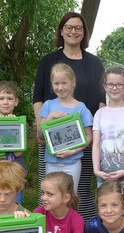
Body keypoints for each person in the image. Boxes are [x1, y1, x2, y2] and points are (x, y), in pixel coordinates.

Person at [33, 11, 105, 220]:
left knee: (80, 189)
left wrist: (94, 135)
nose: (74, 31)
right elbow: (37, 96)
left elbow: (101, 99)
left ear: (84, 33)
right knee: (51, 190)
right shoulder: (48, 61)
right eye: (69, 27)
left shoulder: (94, 63)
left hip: (84, 138)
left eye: (78, 28)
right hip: (51, 142)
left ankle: (81, 230)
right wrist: (42, 130)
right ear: (62, 31)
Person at [92, 67, 124, 217]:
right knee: (106, 212)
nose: (114, 88)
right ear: (104, 86)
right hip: (104, 175)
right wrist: (96, 170)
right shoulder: (100, 113)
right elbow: (96, 144)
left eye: (119, 84)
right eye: (110, 84)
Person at [37, 63, 93, 193]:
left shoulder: (81, 108)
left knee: (70, 197)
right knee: (51, 195)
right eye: (56, 83)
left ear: (73, 82)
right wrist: (49, 117)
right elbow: (40, 135)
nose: (60, 87)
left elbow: (89, 137)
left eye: (64, 83)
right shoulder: (48, 105)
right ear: (51, 84)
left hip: (72, 163)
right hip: (52, 162)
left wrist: (73, 151)